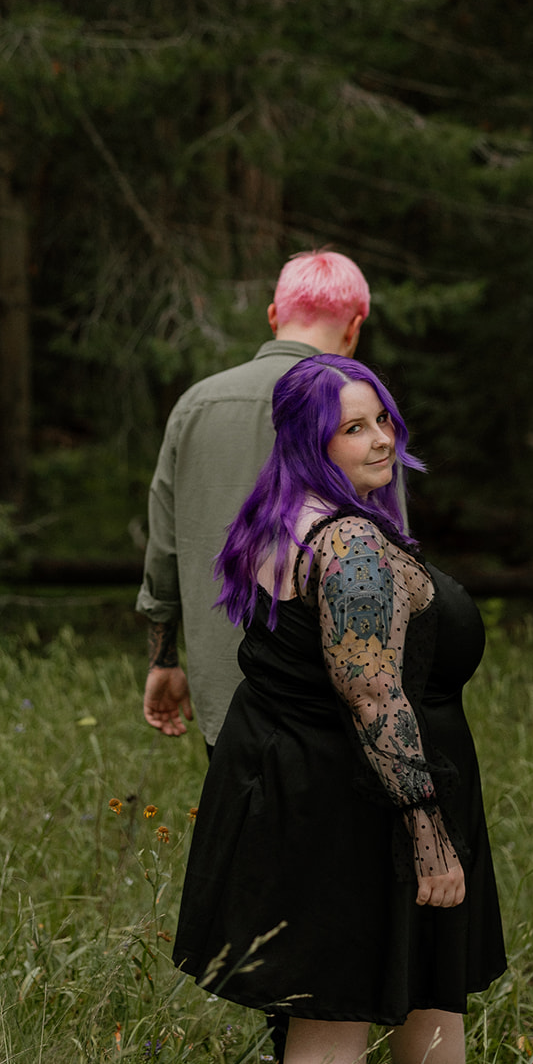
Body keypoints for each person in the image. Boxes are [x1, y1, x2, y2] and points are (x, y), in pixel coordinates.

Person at [172, 356, 507, 1064]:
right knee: (331, 1011)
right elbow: (371, 697)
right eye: (352, 427)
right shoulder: (350, 544)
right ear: (307, 440)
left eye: (382, 419)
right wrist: (429, 836)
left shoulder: (279, 516)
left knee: (403, 975)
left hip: (292, 782)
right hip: (359, 800)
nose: (379, 439)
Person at [137, 251, 371, 751]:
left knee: (240, 829)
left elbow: (165, 550)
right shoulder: (363, 413)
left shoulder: (196, 405)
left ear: (273, 316)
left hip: (226, 703)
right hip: (335, 705)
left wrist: (163, 660)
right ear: (353, 328)